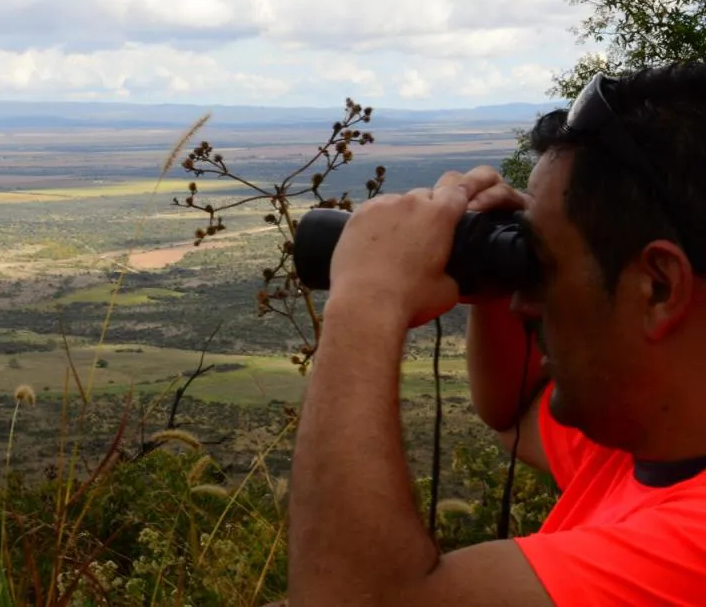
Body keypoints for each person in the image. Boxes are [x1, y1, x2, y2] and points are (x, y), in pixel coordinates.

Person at [282, 61, 706, 606]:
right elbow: (514, 412)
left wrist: (368, 296)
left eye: (543, 269)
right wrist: (492, 273)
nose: (523, 301)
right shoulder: (656, 433)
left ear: (658, 287)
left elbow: (351, 597)